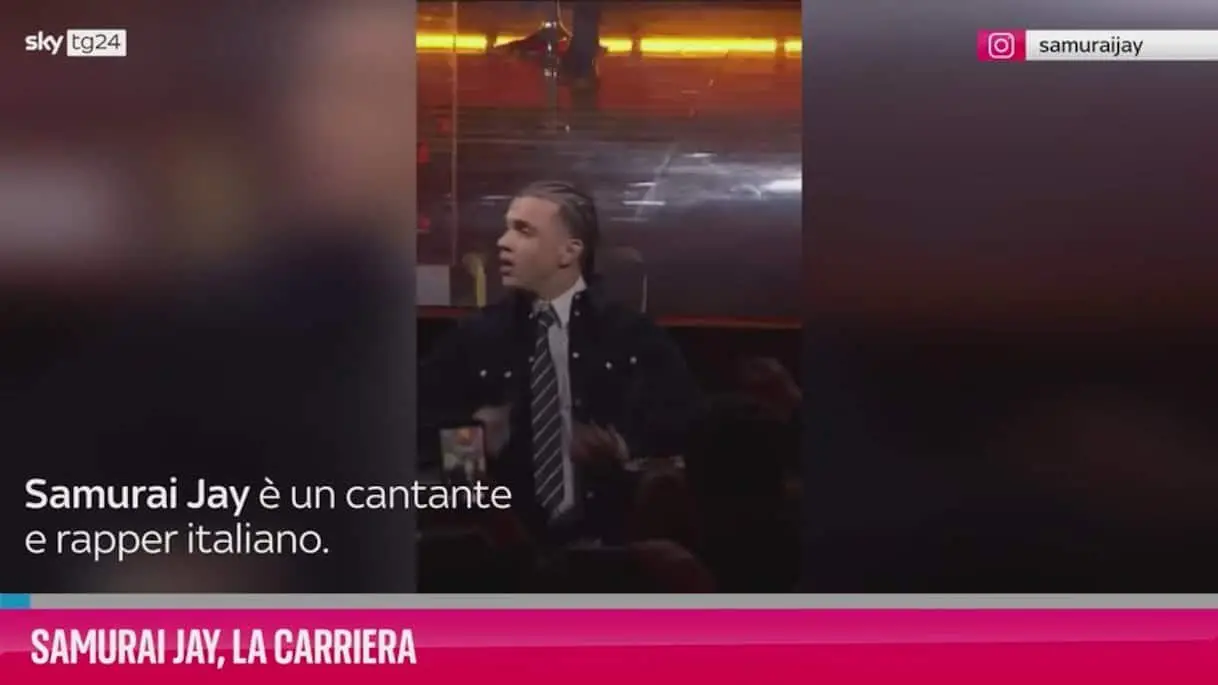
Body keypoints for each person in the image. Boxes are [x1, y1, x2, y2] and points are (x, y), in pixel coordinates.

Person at [420, 180, 698, 543]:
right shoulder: (474, 338)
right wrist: (471, 444)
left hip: (613, 546)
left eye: (523, 231)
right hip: (498, 544)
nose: (503, 242)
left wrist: (622, 450)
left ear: (569, 251)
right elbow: (422, 429)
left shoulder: (633, 338)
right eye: (507, 228)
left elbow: (684, 432)